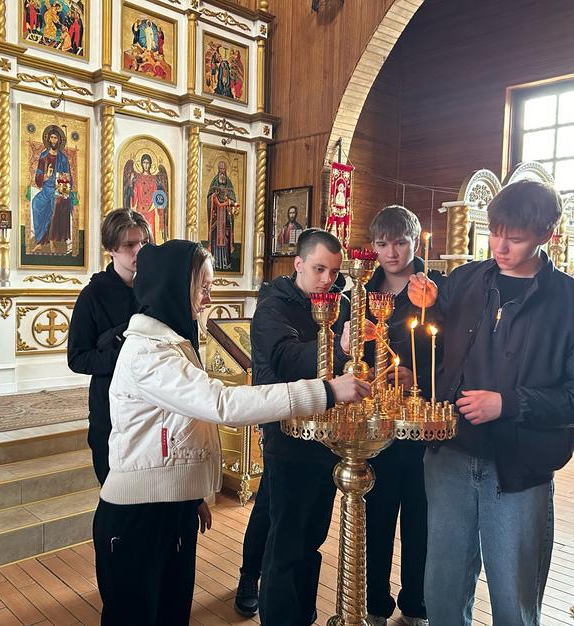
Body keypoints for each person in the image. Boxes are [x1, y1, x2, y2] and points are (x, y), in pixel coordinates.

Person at [92, 239, 371, 626]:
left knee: (171, 615)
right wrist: (325, 392)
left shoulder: (172, 344)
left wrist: (190, 495)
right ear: (174, 286)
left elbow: (176, 431)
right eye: (203, 288)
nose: (208, 299)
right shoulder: (147, 353)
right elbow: (221, 404)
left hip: (170, 506)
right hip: (138, 515)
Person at [408, 180, 574, 626]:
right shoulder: (465, 280)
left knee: (513, 598)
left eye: (514, 238)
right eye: (494, 233)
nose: (500, 247)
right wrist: (422, 309)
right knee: (442, 589)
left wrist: (509, 404)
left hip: (519, 468)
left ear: (546, 234)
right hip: (449, 455)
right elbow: (429, 347)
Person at [245, 229, 357, 626]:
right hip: (287, 432)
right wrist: (341, 348)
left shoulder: (341, 302)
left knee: (312, 537)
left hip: (327, 435)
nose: (327, 279)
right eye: (319, 269)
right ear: (298, 264)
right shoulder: (273, 306)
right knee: (287, 539)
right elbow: (286, 359)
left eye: (334, 272)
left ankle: (303, 615)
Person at [340, 206, 444, 626]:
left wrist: (418, 378)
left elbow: (450, 352)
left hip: (420, 423)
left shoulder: (437, 291)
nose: (392, 253)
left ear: (415, 242)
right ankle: (375, 604)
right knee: (376, 516)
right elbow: (348, 352)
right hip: (376, 422)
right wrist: (363, 367)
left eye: (400, 243)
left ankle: (417, 603)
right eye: (383, 244)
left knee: (421, 517)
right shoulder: (361, 293)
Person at [67, 209, 151, 485]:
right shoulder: (93, 295)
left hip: (150, 404)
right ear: (111, 248)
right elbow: (77, 358)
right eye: (130, 244)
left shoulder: (155, 291)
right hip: (109, 405)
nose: (139, 251)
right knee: (114, 488)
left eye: (144, 243)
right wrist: (125, 357)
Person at [31, 125, 74, 253]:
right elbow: (38, 177)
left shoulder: (63, 158)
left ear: (59, 140)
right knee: (36, 203)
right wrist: (46, 176)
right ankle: (40, 240)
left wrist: (61, 192)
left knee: (56, 205)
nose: (54, 140)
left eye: (56, 138)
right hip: (46, 189)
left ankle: (52, 241)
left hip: (58, 189)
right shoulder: (44, 156)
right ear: (48, 139)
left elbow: (66, 178)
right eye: (52, 137)